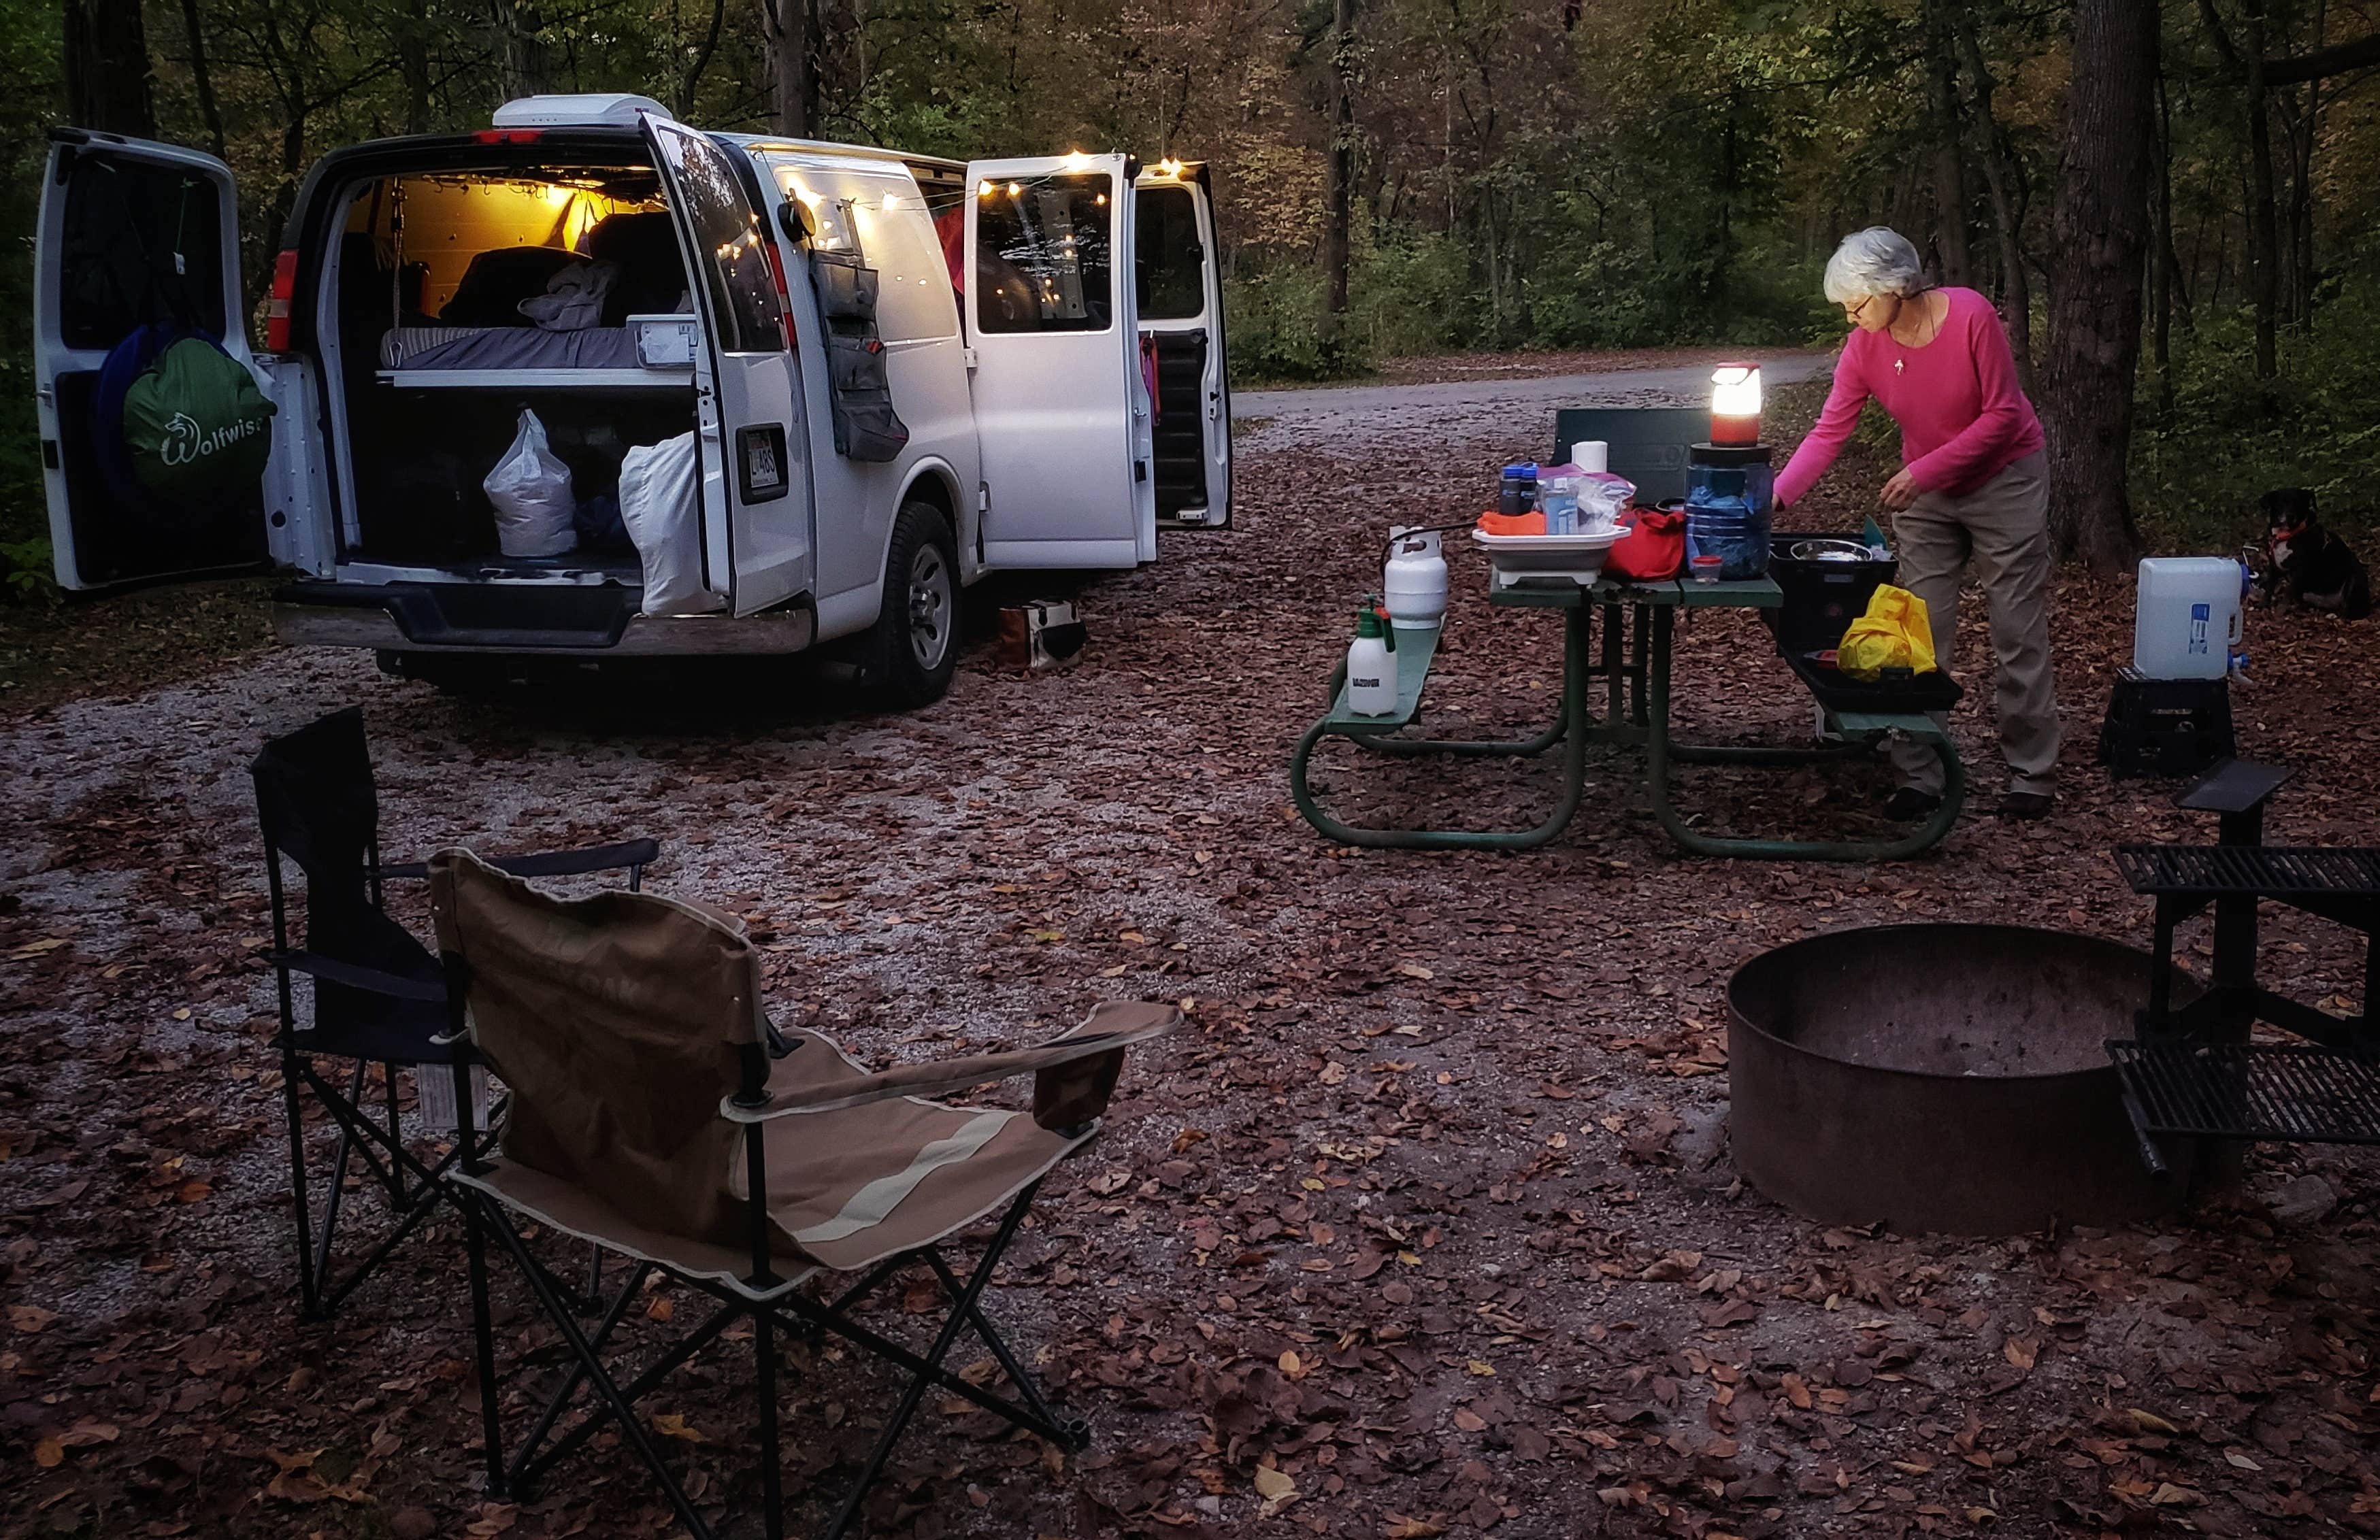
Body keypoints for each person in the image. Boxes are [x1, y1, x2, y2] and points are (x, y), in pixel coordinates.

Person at [1774, 227, 2059, 822]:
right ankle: (1920, 775)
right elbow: (1829, 431)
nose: (1851, 318)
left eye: (1857, 304)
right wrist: (1775, 498)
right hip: (1928, 494)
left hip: (2005, 481)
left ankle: (2031, 772)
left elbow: (2004, 416)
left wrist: (1923, 471)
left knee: (2017, 629)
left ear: (1895, 287)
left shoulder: (1972, 317)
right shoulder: (1864, 347)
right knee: (1917, 631)